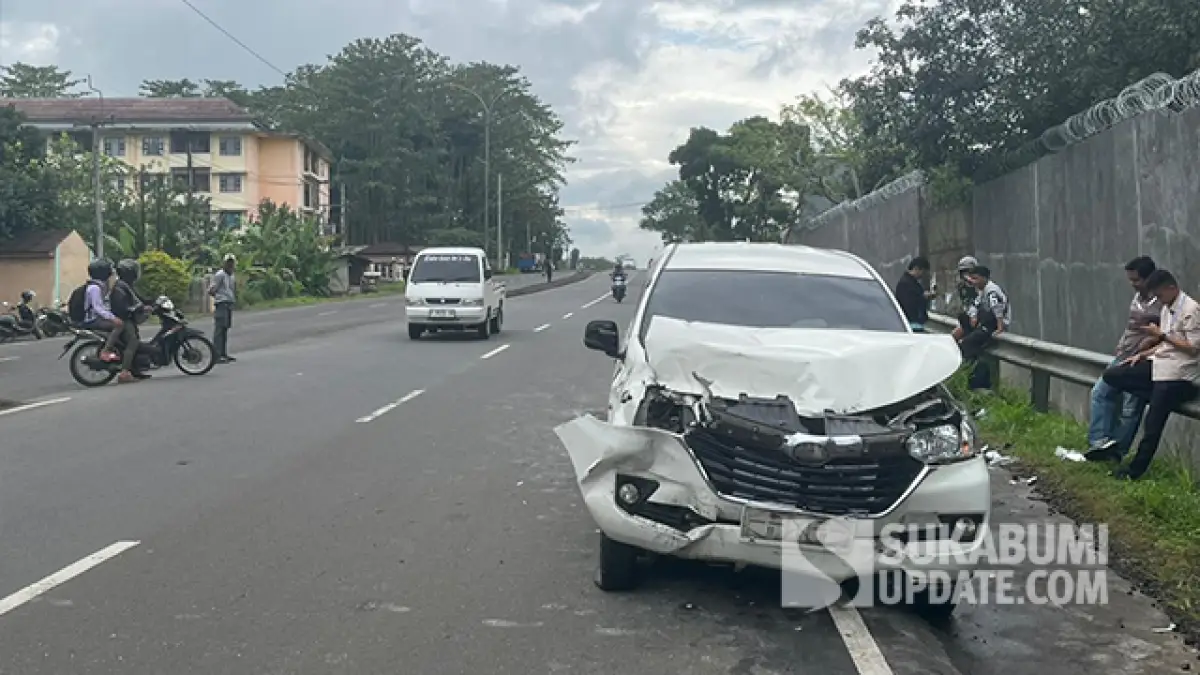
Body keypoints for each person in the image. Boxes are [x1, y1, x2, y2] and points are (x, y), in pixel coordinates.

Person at [1102, 269, 1200, 480]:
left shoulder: (1191, 310)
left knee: (1152, 424)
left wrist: (1161, 335)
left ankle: (1134, 471)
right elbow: (1166, 344)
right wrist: (1144, 354)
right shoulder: (1168, 308)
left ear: (1172, 288)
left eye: (1161, 295)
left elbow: (1192, 348)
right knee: (1114, 375)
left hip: (1178, 375)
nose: (1160, 301)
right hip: (1160, 365)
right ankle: (1156, 397)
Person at [1084, 256, 1160, 462]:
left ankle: (1117, 452)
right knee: (1100, 392)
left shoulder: (1162, 302)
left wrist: (1149, 346)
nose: (1133, 285)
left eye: (1136, 280)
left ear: (1149, 278)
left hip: (1142, 361)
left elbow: (1170, 334)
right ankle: (1099, 442)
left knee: (1131, 408)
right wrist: (1121, 343)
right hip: (1124, 355)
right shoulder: (1137, 298)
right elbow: (1131, 325)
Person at [955, 265, 1010, 390]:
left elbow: (997, 309)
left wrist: (1000, 327)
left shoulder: (991, 291)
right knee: (963, 317)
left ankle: (977, 377)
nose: (973, 282)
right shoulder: (982, 291)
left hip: (991, 325)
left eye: (976, 279)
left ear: (984, 278)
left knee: (967, 344)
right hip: (983, 323)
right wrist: (973, 317)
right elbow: (975, 305)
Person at [109, 258, 151, 383]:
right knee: (133, 342)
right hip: (123, 319)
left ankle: (135, 370)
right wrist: (138, 308)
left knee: (136, 338)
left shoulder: (126, 285)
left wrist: (152, 301)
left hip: (127, 318)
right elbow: (122, 307)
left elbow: (138, 298)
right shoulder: (120, 287)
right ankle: (124, 372)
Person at [209, 254, 237, 363]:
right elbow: (211, 290)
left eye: (232, 263)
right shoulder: (220, 275)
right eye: (228, 262)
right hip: (221, 303)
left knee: (225, 329)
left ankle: (223, 353)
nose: (230, 265)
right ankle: (216, 355)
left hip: (228, 304)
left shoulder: (231, 276)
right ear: (224, 263)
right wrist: (218, 297)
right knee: (219, 330)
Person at [895, 256, 933, 331]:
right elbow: (908, 304)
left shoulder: (912, 283)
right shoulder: (905, 284)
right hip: (911, 324)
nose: (923, 275)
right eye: (923, 272)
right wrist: (923, 297)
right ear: (916, 268)